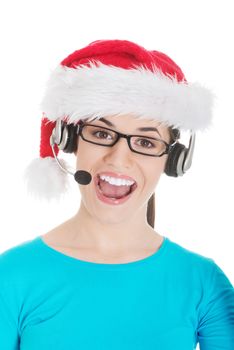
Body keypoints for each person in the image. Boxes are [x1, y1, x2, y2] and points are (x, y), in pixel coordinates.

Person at [0, 39, 233, 349]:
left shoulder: (204, 284)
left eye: (146, 142)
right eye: (101, 133)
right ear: (70, 141)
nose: (118, 158)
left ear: (173, 161)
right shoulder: (11, 276)